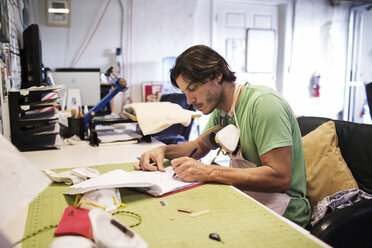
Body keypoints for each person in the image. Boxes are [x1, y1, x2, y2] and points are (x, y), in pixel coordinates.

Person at [135, 45, 311, 228]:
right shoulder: (222, 111)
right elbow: (198, 147)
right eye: (184, 92)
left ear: (217, 74)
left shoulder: (264, 104)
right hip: (246, 196)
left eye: (193, 88)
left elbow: (280, 178)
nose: (189, 100)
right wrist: (163, 150)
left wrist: (209, 171)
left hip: (285, 209)